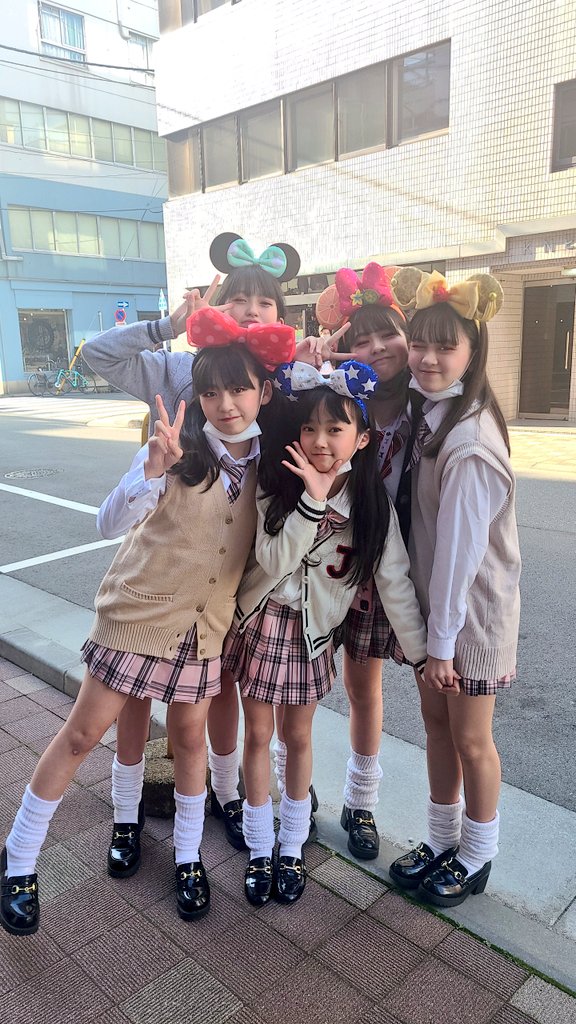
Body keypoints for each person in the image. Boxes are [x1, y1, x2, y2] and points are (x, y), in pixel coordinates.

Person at [0, 308, 294, 936]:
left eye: (239, 389)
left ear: (265, 393)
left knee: (189, 742)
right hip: (134, 618)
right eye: (210, 392)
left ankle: (188, 857)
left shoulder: (272, 467)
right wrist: (152, 471)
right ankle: (19, 858)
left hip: (204, 632)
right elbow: (107, 523)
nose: (225, 404)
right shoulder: (176, 450)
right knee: (82, 735)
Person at [81, 233, 309, 871]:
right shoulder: (183, 369)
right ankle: (127, 814)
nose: (250, 312)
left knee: (221, 684)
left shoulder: (283, 377)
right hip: (165, 559)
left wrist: (320, 364)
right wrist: (168, 325)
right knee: (134, 697)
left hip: (235, 564)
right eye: (238, 300)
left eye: (264, 303)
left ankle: (229, 794)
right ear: (218, 305)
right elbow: (97, 354)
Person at [223, 359, 428, 906]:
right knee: (257, 736)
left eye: (335, 429)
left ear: (361, 438)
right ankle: (260, 846)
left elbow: (395, 582)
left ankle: (292, 845)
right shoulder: (277, 484)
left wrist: (422, 655)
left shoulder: (371, 506)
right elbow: (273, 560)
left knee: (299, 737)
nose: (319, 440)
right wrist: (311, 500)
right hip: (261, 624)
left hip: (311, 638)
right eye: (310, 428)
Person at [387, 269, 520, 907]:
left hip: (469, 617)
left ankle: (476, 853)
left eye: (446, 346)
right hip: (438, 611)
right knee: (436, 726)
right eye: (419, 343)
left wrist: (440, 645)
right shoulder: (433, 413)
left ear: (473, 349)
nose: (428, 358)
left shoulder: (469, 441)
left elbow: (461, 559)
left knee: (470, 738)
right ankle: (442, 839)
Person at [297, 263, 413, 862]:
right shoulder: (330, 390)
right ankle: (297, 791)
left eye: (388, 333)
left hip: (371, 562)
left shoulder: (422, 402)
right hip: (313, 566)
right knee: (298, 689)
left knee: (363, 689)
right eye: (361, 339)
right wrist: (312, 359)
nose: (376, 348)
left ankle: (360, 802)